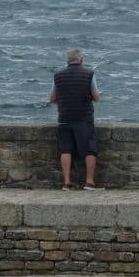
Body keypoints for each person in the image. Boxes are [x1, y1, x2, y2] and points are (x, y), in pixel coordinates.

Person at [49, 47, 102, 190]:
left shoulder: (58, 76)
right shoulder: (89, 74)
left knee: (65, 149)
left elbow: (53, 98)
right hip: (83, 118)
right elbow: (96, 97)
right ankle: (89, 182)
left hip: (64, 118)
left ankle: (66, 182)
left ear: (67, 60)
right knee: (90, 150)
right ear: (81, 60)